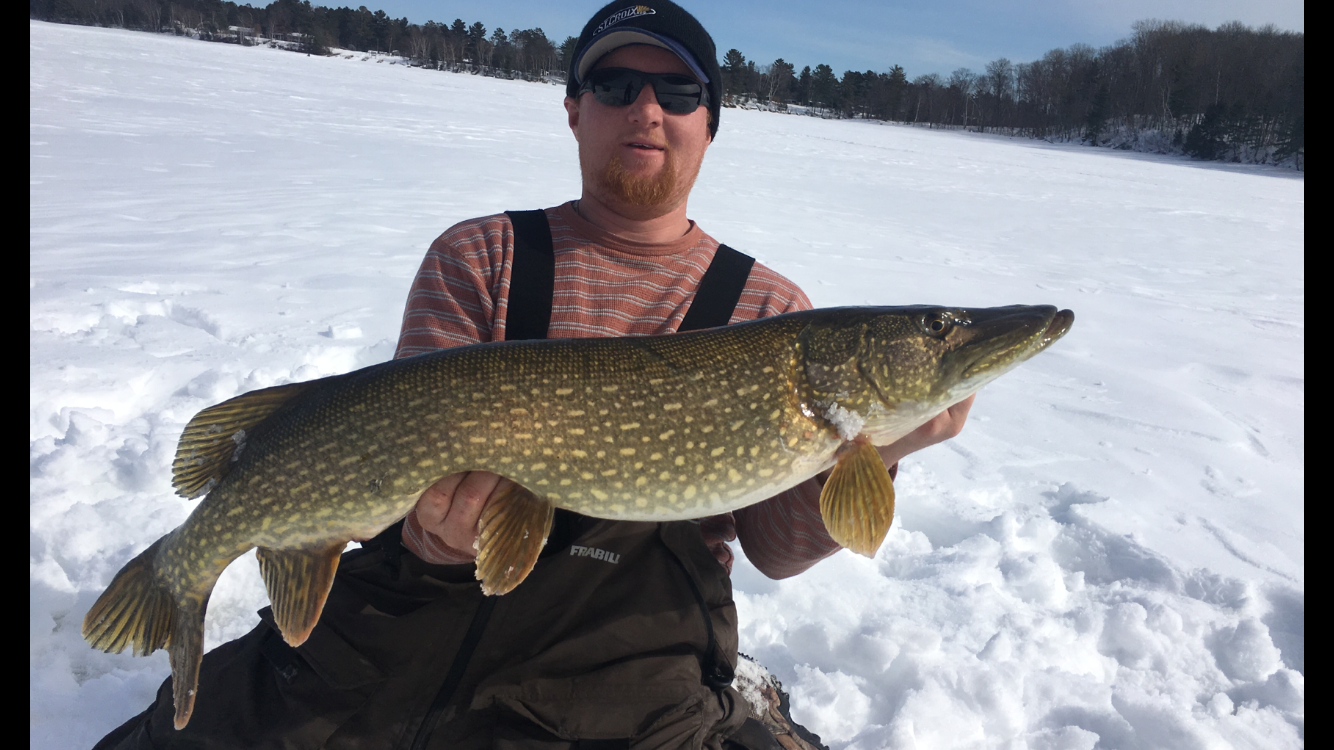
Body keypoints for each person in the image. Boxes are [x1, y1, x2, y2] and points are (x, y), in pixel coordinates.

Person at [95, 2, 972, 748]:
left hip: (631, 655)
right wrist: (434, 537)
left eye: (678, 91)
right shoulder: (484, 256)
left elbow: (778, 549)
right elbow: (394, 464)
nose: (647, 110)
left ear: (710, 122)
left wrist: (881, 452)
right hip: (416, 611)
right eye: (616, 86)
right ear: (573, 109)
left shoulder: (771, 312)